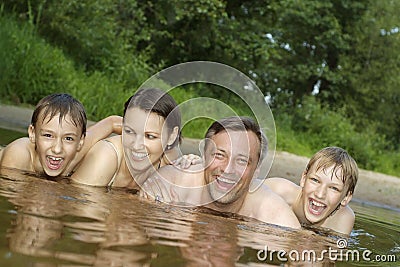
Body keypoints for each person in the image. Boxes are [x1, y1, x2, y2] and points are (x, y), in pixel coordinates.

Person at [141, 116, 301, 229]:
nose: (228, 169)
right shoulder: (172, 183)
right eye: (219, 155)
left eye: (242, 161)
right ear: (204, 156)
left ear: (256, 171)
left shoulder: (270, 212)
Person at [71, 88, 186, 188]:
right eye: (130, 132)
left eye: (150, 136)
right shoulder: (106, 155)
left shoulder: (169, 161)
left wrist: (193, 163)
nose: (136, 146)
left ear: (171, 137)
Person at [0, 93, 122, 177]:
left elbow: (112, 123)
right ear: (32, 133)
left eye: (68, 138)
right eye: (48, 135)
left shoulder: (74, 153)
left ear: (80, 141)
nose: (57, 149)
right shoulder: (18, 155)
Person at [264, 147, 358, 235]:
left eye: (334, 188)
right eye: (315, 180)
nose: (320, 194)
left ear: (346, 197)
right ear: (304, 178)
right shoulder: (278, 191)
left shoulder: (342, 218)